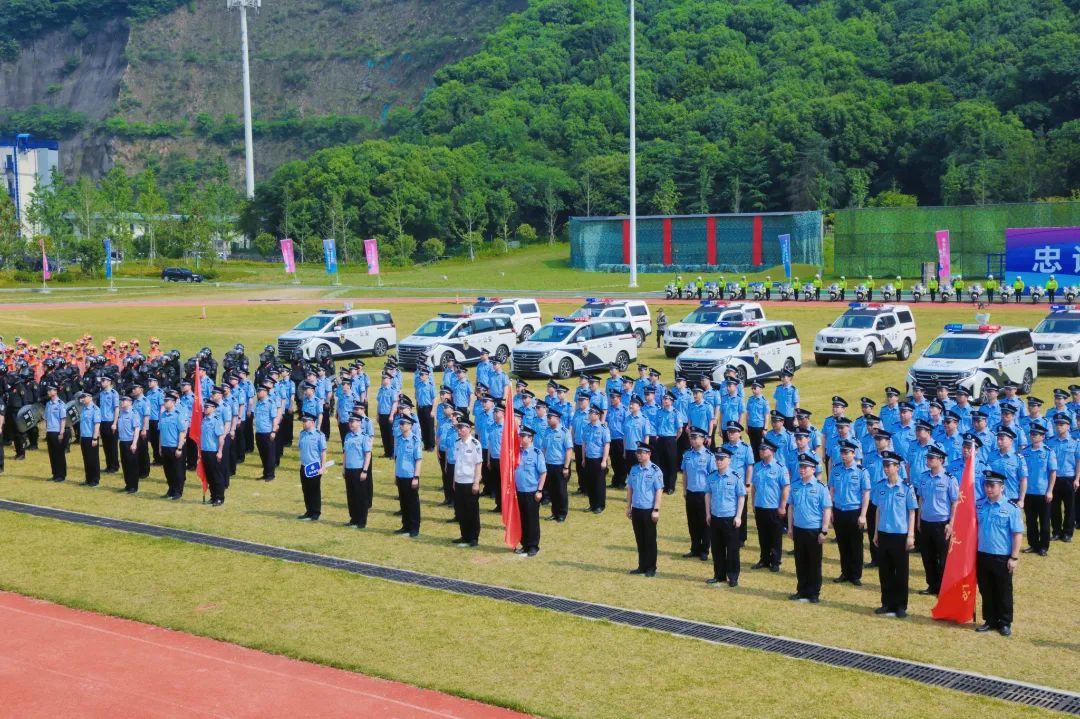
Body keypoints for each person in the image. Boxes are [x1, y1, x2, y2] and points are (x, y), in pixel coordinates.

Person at [975, 471, 1024, 636]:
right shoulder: (979, 504)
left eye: (992, 485)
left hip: (1001, 556)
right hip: (982, 554)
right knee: (986, 589)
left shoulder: (1011, 508)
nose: (988, 488)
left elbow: (1017, 533)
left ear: (1002, 487)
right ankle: (990, 620)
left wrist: (1014, 557)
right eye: (986, 485)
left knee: (1003, 591)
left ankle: (1004, 622)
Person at [872, 450, 917, 617]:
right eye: (884, 465)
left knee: (901, 572)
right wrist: (876, 532)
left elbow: (912, 512)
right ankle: (886, 603)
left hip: (900, 534)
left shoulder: (906, 488)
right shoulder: (881, 486)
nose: (886, 468)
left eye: (889, 465)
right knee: (885, 571)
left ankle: (900, 606)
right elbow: (878, 510)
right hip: (884, 533)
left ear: (897, 467)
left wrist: (911, 535)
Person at [787, 453, 833, 603]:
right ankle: (801, 590)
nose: (802, 470)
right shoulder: (795, 486)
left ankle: (814, 592)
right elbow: (791, 507)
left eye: (805, 467)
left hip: (814, 530)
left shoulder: (820, 487)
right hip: (799, 528)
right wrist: (790, 527)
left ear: (813, 469)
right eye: (800, 467)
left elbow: (826, 509)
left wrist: (824, 530)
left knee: (814, 563)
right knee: (800, 562)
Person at [915, 445, 959, 595]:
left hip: (942, 523)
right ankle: (932, 585)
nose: (928, 460)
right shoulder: (924, 477)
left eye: (931, 458)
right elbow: (921, 499)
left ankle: (943, 587)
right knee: (927, 556)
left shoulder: (949, 479)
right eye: (927, 458)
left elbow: (955, 502)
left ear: (940, 460)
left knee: (943, 557)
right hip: (926, 521)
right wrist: (919, 520)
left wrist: (951, 523)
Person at [828, 439, 870, 586]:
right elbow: (831, 490)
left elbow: (865, 494)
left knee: (856, 545)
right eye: (842, 452)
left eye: (846, 453)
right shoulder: (836, 469)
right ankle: (845, 572)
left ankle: (855, 574)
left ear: (853, 453)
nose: (843, 455)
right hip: (839, 510)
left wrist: (863, 514)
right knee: (843, 544)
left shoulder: (861, 472)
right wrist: (831, 510)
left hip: (854, 511)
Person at [705, 446, 746, 587]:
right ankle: (719, 575)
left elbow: (741, 497)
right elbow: (708, 494)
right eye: (717, 459)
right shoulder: (712, 476)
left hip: (730, 517)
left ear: (729, 460)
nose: (718, 461)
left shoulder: (735, 476)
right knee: (717, 548)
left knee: (732, 549)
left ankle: (733, 576)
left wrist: (739, 516)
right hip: (715, 516)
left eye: (722, 459)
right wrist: (708, 513)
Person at [751, 438, 790, 572]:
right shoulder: (757, 467)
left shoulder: (780, 467)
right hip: (760, 506)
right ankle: (764, 559)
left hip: (774, 507)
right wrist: (753, 503)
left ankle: (775, 561)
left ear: (772, 451)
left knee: (775, 536)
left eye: (764, 449)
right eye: (760, 449)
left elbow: (785, 487)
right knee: (763, 534)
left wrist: (782, 506)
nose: (761, 451)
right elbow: (754, 487)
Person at [626, 443, 664, 577]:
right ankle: (641, 566)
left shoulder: (655, 470)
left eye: (642, 452)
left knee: (650, 540)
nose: (639, 455)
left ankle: (651, 567)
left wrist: (656, 509)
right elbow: (630, 488)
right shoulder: (634, 469)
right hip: (636, 508)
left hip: (648, 509)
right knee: (639, 539)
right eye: (638, 452)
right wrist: (628, 506)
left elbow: (659, 490)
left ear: (649, 454)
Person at [1020, 423, 1055, 556]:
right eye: (1031, 434)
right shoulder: (1025, 452)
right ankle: (1033, 544)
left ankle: (1043, 547)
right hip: (1028, 492)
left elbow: (1052, 472)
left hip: (1042, 492)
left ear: (1042, 436)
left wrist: (1050, 490)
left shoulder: (1048, 452)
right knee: (1031, 521)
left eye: (1035, 434)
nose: (1032, 436)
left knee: (1044, 522)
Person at [680, 427, 712, 562]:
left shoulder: (709, 456)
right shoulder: (687, 455)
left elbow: (712, 476)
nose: (692, 440)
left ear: (703, 439)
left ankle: (704, 549)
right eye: (691, 438)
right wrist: (684, 490)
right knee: (692, 522)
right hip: (691, 492)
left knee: (704, 522)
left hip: (703, 494)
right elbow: (685, 473)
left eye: (695, 438)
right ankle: (694, 548)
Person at [514, 425, 547, 556]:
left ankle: (533, 545)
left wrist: (539, 490)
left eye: (523, 436)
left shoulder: (536, 453)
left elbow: (543, 473)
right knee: (522, 519)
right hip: (519, 491)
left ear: (530, 438)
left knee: (532, 520)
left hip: (532, 491)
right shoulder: (517, 452)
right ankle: (524, 544)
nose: (521, 438)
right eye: (520, 436)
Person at [452, 418, 483, 546]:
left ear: (469, 429)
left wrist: (476, 482)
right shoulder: (457, 443)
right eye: (458, 428)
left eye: (462, 428)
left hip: (470, 482)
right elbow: (457, 463)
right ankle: (464, 535)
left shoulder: (475, 444)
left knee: (472, 511)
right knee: (461, 510)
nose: (459, 430)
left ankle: (473, 537)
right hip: (459, 481)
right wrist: (454, 480)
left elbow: (478, 465)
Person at [1047, 414, 1077, 542]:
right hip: (1054, 479)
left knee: (1070, 507)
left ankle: (1068, 532)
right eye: (1057, 425)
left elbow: (1079, 461)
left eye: (1061, 425)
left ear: (1068, 426)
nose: (1058, 427)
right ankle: (1057, 531)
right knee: (1054, 507)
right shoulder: (1050, 442)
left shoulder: (1075, 443)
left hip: (1069, 478)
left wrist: (1077, 479)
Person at [340, 412, 373, 527]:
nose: (350, 424)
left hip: (359, 469)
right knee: (351, 495)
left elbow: (368, 455)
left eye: (353, 422)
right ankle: (353, 518)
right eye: (350, 422)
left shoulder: (364, 437)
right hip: (349, 469)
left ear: (359, 423)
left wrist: (365, 471)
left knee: (361, 496)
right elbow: (345, 453)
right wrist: (343, 468)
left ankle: (361, 521)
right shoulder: (348, 436)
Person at [394, 415, 423, 537]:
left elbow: (418, 460)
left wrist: (416, 477)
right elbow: (396, 458)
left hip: (411, 476)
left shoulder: (415, 440)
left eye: (404, 423)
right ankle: (405, 525)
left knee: (413, 503)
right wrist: (395, 474)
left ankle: (414, 528)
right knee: (403, 502)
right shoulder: (399, 439)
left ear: (410, 425)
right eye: (401, 423)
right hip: (400, 474)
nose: (402, 425)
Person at [542, 408, 573, 521]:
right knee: (552, 490)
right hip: (549, 464)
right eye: (547, 418)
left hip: (560, 465)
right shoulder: (547, 431)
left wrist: (566, 467)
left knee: (561, 491)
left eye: (550, 418)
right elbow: (544, 448)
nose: (548, 420)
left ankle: (562, 513)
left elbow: (569, 450)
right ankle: (554, 512)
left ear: (557, 418)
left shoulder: (564, 432)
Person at [297, 412, 327, 521]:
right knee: (306, 490)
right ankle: (308, 511)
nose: (303, 423)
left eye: (306, 421)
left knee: (314, 490)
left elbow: (323, 452)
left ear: (313, 422)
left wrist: (323, 467)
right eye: (303, 421)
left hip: (314, 467)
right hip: (304, 466)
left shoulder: (319, 435)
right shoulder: (302, 434)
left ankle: (315, 512)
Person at [158, 391, 188, 500]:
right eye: (164, 401)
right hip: (165, 447)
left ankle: (178, 491)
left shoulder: (178, 415)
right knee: (168, 470)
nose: (165, 403)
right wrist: (160, 446)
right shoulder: (163, 415)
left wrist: (179, 448)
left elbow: (182, 432)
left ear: (173, 402)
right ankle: (171, 490)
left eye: (167, 401)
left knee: (178, 471)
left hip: (175, 446)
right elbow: (161, 432)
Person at [581, 406, 611, 512]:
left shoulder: (603, 428)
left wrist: (604, 461)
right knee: (590, 483)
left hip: (598, 459)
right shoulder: (586, 427)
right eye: (589, 413)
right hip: (589, 458)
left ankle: (600, 505)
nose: (589, 415)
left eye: (592, 413)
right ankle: (592, 504)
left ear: (598, 415)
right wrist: (583, 459)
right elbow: (584, 444)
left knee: (599, 483)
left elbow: (607, 445)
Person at [199, 399, 226, 505]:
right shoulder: (204, 420)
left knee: (216, 476)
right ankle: (213, 496)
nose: (205, 409)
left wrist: (220, 451)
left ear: (213, 408)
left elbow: (220, 438)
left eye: (207, 407)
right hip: (205, 450)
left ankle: (219, 497)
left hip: (213, 451)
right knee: (209, 476)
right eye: (204, 407)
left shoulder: (216, 420)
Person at [253, 382, 281, 481]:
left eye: (259, 391)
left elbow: (274, 418)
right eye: (257, 391)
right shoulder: (258, 403)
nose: (258, 393)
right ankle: (265, 473)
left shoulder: (270, 403)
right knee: (263, 454)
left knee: (270, 454)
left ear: (265, 392)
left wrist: (274, 431)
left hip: (268, 432)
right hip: (259, 432)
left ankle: (271, 475)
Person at [116, 395, 142, 494]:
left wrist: (134, 443)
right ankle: (128, 484)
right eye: (121, 401)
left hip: (131, 442)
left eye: (124, 401)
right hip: (122, 441)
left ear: (130, 402)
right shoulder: (121, 413)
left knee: (132, 465)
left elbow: (137, 429)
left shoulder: (133, 413)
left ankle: (133, 486)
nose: (122, 402)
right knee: (125, 464)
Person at [77, 391, 102, 487]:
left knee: (93, 459)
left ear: (91, 398)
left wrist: (95, 438)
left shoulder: (95, 409)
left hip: (92, 437)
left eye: (85, 396)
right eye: (82, 396)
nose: (83, 398)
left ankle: (95, 480)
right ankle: (88, 479)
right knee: (86, 459)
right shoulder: (83, 409)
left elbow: (97, 424)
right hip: (84, 437)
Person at [43, 383, 67, 482]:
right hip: (50, 431)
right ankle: (55, 474)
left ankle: (61, 475)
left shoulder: (61, 404)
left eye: (50, 390)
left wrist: (61, 432)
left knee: (59, 454)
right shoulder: (48, 404)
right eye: (48, 390)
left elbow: (63, 419)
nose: (48, 392)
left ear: (56, 391)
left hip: (57, 431)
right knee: (52, 454)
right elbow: (46, 418)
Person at [98, 375, 120, 474]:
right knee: (106, 445)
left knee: (112, 445)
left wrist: (115, 423)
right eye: (101, 380)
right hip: (103, 422)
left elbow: (116, 408)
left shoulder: (114, 394)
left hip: (111, 421)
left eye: (103, 380)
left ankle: (114, 466)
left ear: (109, 382)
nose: (102, 382)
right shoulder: (102, 394)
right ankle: (109, 465)